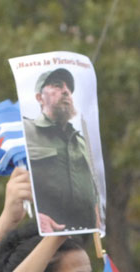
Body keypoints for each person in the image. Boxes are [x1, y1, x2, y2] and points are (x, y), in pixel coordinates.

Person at [22, 68, 101, 234]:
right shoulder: (25, 131)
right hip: (40, 237)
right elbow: (14, 183)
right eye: (57, 86)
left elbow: (93, 188)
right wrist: (36, 216)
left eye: (69, 89)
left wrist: (98, 216)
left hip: (82, 238)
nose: (66, 91)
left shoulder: (81, 141)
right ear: (39, 97)